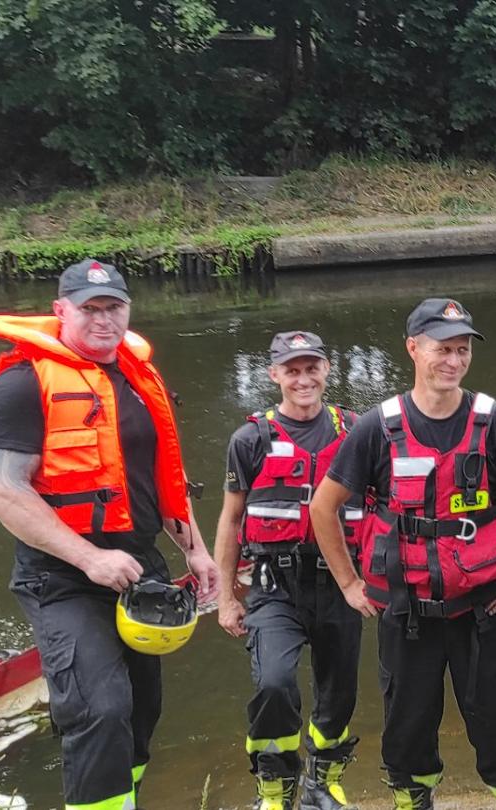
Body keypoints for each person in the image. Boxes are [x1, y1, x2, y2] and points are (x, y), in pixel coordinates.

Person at [0, 259, 220, 810]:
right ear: (61, 311)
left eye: (114, 307)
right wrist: (89, 558)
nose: (104, 320)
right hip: (61, 574)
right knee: (98, 708)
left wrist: (197, 551)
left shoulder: (136, 377)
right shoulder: (19, 384)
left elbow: (161, 478)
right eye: (90, 309)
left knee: (139, 711)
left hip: (139, 569)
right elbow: (2, 492)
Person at [308, 298, 496, 810]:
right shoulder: (377, 427)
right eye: (443, 349)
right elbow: (322, 508)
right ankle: (412, 800)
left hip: (486, 608)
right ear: (413, 349)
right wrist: (350, 584)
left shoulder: (494, 422)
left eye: (462, 350)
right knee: (407, 730)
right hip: (406, 610)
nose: (453, 361)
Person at [213, 331, 367, 810]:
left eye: (311, 367)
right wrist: (225, 597)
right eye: (292, 369)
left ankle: (324, 783)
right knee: (275, 683)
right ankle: (275, 789)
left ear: (326, 369)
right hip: (273, 585)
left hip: (341, 582)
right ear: (274, 375)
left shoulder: (355, 431)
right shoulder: (251, 439)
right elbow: (231, 520)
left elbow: (382, 507)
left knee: (337, 692)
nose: (303, 378)